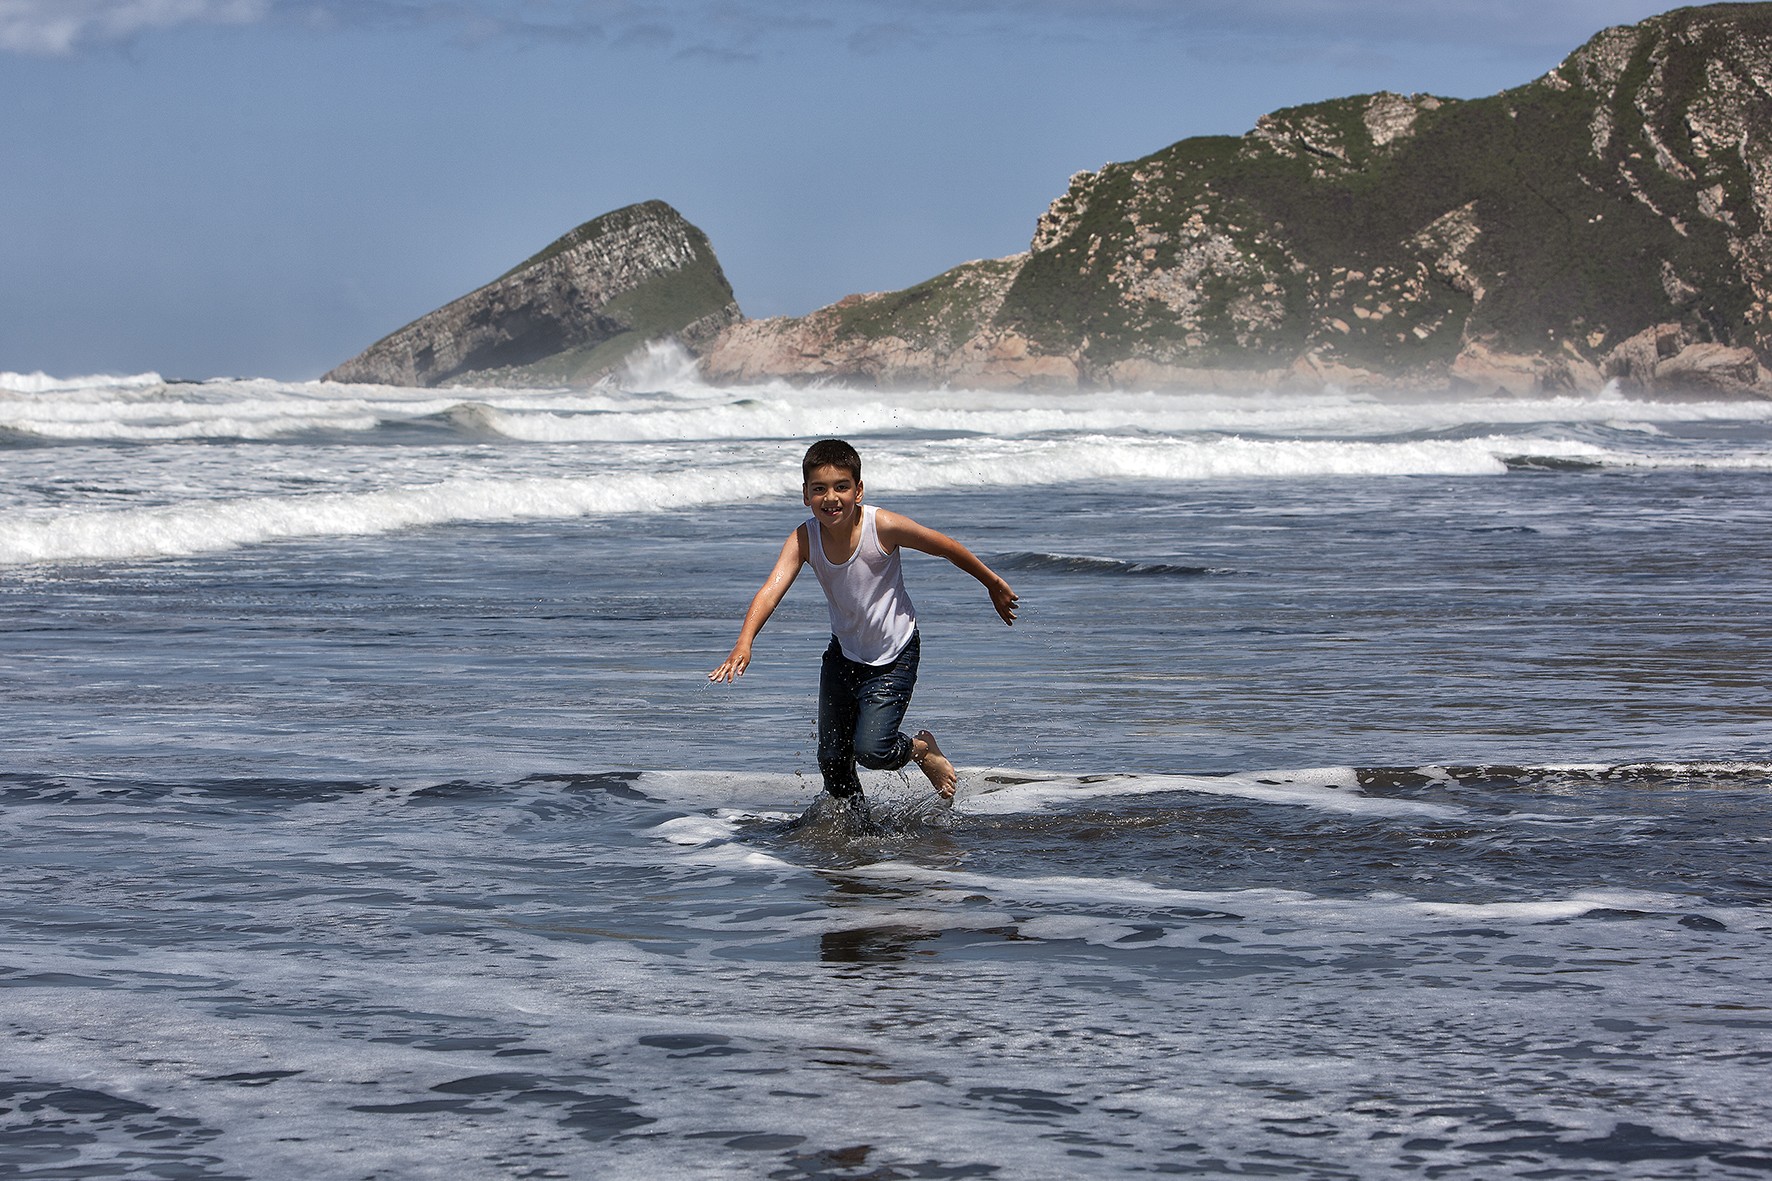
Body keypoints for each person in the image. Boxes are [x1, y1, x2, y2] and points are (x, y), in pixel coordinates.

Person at [709, 438, 1018, 808]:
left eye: (841, 486)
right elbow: (770, 591)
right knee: (833, 762)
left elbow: (945, 546)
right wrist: (745, 641)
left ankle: (922, 750)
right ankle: (857, 835)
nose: (831, 497)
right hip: (843, 656)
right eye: (819, 489)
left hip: (894, 656)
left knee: (872, 749)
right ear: (805, 494)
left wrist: (992, 583)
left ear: (858, 490)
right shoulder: (804, 538)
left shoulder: (882, 526)